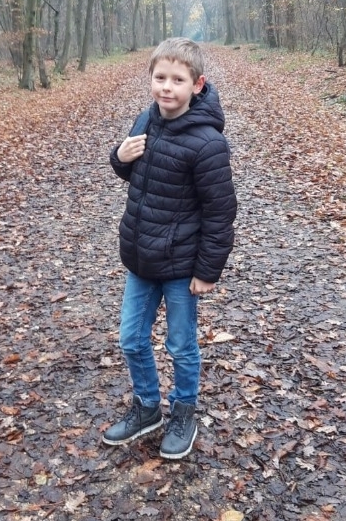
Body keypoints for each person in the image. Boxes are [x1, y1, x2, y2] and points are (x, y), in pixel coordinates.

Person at [102, 37, 237, 459]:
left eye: (177, 80)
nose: (166, 87)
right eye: (160, 77)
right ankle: (147, 408)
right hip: (141, 258)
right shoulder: (146, 119)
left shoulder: (208, 143)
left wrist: (207, 271)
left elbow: (220, 212)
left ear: (198, 85)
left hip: (181, 264)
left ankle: (183, 411)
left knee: (180, 345)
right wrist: (120, 156)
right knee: (131, 339)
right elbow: (140, 175)